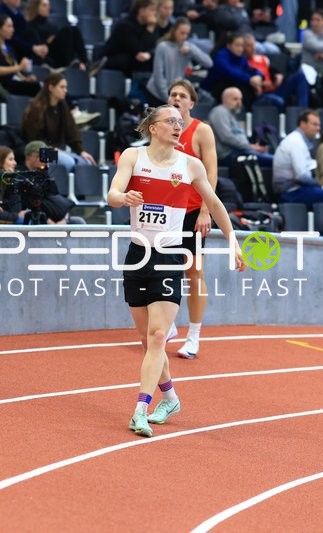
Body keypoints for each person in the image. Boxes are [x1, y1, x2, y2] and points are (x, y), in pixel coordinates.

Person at [107, 104, 245, 438]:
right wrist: (123, 197)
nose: (177, 126)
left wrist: (233, 242)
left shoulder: (190, 165)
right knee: (145, 339)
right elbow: (111, 194)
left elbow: (214, 204)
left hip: (171, 256)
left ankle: (140, 408)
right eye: (170, 121)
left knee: (158, 336)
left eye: (180, 122)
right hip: (138, 256)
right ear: (152, 127)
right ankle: (169, 397)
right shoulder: (132, 157)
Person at [167, 79, 218, 358]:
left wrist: (205, 211)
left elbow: (211, 172)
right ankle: (170, 325)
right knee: (161, 269)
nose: (176, 98)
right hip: (166, 212)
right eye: (172, 94)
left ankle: (194, 336)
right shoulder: (162, 129)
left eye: (182, 96)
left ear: (191, 102)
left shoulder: (202, 131)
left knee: (193, 272)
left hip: (192, 211)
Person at [21, 72, 97, 171]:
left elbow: (71, 131)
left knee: (86, 162)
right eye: (62, 87)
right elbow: (33, 138)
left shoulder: (62, 106)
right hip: (40, 151)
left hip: (56, 150)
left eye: (66, 87)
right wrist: (49, 149)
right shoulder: (36, 108)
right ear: (51, 88)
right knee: (68, 162)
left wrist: (81, 151)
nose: (65, 90)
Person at [273, 109, 323, 207]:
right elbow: (301, 176)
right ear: (303, 124)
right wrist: (320, 184)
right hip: (290, 193)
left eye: (319, 125)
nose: (318, 128)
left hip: (297, 189)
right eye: (314, 124)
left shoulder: (299, 140)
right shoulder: (295, 142)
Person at [145, 17, 212, 105]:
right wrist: (168, 98)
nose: (184, 36)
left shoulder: (188, 46)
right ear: (174, 30)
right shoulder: (163, 47)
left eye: (186, 34)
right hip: (157, 94)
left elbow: (208, 63)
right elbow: (159, 76)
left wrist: (191, 51)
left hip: (174, 95)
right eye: (182, 33)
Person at [243, 33, 309, 111]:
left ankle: (303, 112)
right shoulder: (243, 62)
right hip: (260, 94)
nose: (253, 48)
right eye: (249, 46)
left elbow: (271, 70)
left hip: (275, 88)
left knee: (300, 76)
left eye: (253, 45)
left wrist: (278, 76)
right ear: (242, 47)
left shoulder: (262, 58)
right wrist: (262, 84)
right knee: (278, 101)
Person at [208, 87, 272, 167]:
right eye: (235, 99)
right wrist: (251, 147)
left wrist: (253, 147)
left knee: (271, 158)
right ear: (225, 99)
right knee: (273, 161)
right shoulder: (219, 112)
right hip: (229, 155)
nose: (239, 102)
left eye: (240, 99)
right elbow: (226, 137)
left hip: (241, 152)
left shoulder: (231, 114)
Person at [201, 32, 264, 111]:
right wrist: (250, 80)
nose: (240, 48)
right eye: (237, 45)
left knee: (248, 89)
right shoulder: (221, 56)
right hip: (214, 88)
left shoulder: (241, 58)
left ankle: (247, 115)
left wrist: (259, 76)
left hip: (231, 86)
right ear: (229, 45)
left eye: (242, 46)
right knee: (242, 88)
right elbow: (230, 72)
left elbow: (250, 70)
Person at [23, 0, 91, 71]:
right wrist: (48, 42)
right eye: (44, 5)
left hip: (60, 54)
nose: (48, 8)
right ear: (36, 7)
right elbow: (38, 47)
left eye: (48, 5)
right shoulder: (31, 25)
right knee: (67, 31)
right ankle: (68, 66)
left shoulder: (52, 25)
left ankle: (86, 63)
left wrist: (53, 40)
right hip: (47, 57)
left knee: (74, 29)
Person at [0, 13, 40, 97]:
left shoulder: (8, 47)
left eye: (12, 26)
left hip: (14, 81)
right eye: (8, 26)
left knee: (38, 85)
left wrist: (25, 79)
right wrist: (19, 67)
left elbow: (15, 70)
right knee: (38, 88)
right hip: (2, 83)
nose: (12, 30)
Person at [103, 0, 159, 75]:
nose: (154, 14)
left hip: (135, 64)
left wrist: (149, 54)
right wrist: (150, 29)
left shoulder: (150, 24)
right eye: (152, 10)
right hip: (115, 63)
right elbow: (138, 49)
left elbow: (155, 46)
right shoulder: (125, 25)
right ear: (141, 10)